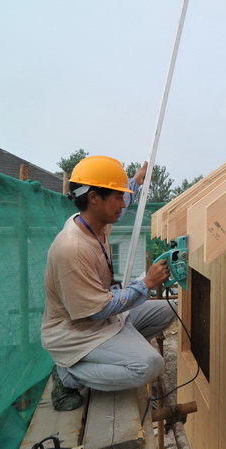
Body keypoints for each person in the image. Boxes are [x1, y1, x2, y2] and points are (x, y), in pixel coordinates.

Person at [41, 155, 175, 411]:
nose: (123, 203)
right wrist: (145, 283)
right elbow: (98, 309)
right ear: (93, 197)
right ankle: (69, 375)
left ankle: (116, 355)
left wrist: (134, 182)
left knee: (168, 310)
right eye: (117, 196)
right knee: (150, 366)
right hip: (76, 331)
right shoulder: (72, 248)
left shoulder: (95, 223)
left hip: (103, 320)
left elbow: (122, 206)